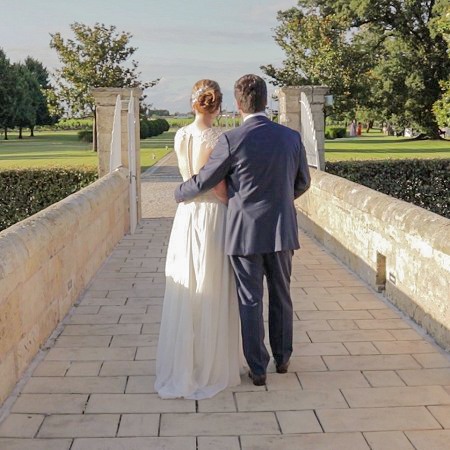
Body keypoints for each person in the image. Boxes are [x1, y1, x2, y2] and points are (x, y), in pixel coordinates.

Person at [175, 74, 311, 386]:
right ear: (267, 102)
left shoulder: (232, 140)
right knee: (281, 295)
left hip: (244, 231)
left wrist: (180, 192)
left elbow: (207, 178)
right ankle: (283, 357)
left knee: (250, 300)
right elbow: (303, 182)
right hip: (281, 229)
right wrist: (278, 201)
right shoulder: (291, 138)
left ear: (238, 105)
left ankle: (258, 369)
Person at [155, 79, 242, 399]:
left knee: (188, 284)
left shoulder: (180, 135)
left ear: (194, 103)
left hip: (186, 216)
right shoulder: (220, 137)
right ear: (217, 106)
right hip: (210, 216)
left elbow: (189, 178)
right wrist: (232, 204)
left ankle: (184, 364)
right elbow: (215, 184)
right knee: (211, 284)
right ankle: (209, 365)